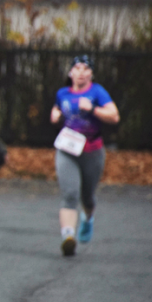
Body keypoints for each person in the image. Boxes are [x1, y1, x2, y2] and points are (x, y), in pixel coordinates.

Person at [50, 55, 120, 257]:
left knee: (87, 197)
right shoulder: (62, 93)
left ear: (91, 74)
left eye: (85, 68)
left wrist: (93, 109)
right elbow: (56, 111)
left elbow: (114, 116)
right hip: (67, 151)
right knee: (70, 194)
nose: (80, 72)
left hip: (92, 152)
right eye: (77, 68)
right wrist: (54, 116)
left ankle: (88, 218)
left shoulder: (97, 92)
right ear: (70, 72)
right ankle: (68, 237)